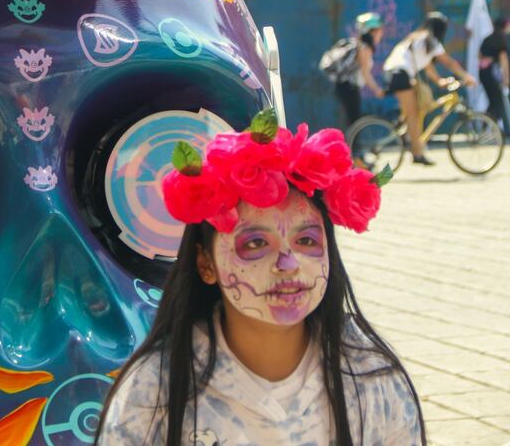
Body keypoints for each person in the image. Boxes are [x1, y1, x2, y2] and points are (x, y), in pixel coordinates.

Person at [95, 111, 425, 446]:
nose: (288, 263)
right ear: (205, 263)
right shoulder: (153, 392)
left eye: (306, 241)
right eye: (255, 243)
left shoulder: (371, 377)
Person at [382, 11, 476, 166]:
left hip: (397, 73)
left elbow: (427, 65)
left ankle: (405, 129)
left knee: (415, 109)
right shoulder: (430, 40)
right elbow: (449, 63)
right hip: (400, 74)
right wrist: (467, 76)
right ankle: (417, 152)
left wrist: (439, 81)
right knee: (413, 114)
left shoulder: (419, 37)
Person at [335, 12, 386, 128]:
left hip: (346, 87)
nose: (381, 34)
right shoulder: (364, 48)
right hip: (349, 88)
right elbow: (365, 73)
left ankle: (351, 145)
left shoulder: (360, 45)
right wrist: (377, 90)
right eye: (379, 30)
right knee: (354, 122)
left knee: (353, 119)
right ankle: (352, 146)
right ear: (372, 32)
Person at [478, 17, 510, 126]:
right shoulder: (501, 38)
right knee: (497, 102)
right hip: (492, 73)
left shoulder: (487, 38)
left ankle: (488, 127)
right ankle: (489, 127)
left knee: (494, 101)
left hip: (483, 73)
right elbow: (503, 59)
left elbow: (480, 55)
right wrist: (506, 77)